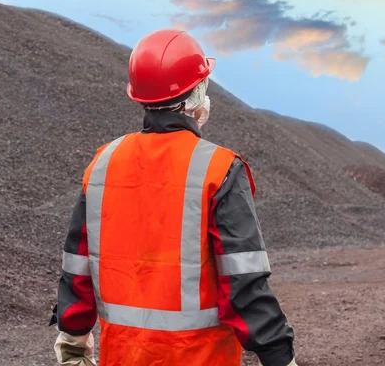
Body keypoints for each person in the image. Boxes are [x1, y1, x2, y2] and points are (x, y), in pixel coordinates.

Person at [49, 29, 297, 366]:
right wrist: (280, 356)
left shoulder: (103, 165)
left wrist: (73, 338)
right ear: (194, 94)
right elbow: (244, 281)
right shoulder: (220, 168)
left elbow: (78, 266)